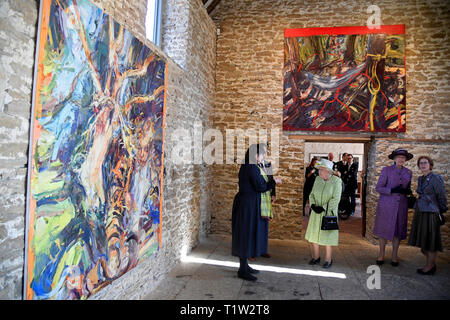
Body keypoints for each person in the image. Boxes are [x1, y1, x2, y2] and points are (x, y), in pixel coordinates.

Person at [231, 144, 282, 281]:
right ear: (255, 155)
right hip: (247, 205)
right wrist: (275, 182)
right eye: (262, 154)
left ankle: (245, 266)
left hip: (248, 202)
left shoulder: (248, 165)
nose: (263, 157)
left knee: (247, 234)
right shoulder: (251, 167)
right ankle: (242, 270)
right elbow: (261, 187)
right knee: (246, 234)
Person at [373, 148, 413, 267]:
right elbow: (378, 188)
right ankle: (381, 254)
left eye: (403, 157)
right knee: (383, 230)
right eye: (399, 157)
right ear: (394, 159)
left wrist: (408, 192)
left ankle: (394, 255)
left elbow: (408, 189)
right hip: (386, 205)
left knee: (398, 231)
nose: (401, 159)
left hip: (401, 206)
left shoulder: (408, 172)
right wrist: (391, 190)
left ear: (405, 159)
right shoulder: (386, 170)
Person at [408, 156, 447, 275]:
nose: (423, 165)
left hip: (431, 213)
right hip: (420, 211)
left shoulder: (436, 178)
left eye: (425, 162)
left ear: (430, 164)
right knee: (424, 240)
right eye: (421, 163)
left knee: (430, 240)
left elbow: (441, 196)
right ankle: (431, 263)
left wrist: (441, 211)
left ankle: (430, 266)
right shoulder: (421, 179)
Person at [304, 159, 342, 268]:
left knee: (327, 237)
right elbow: (311, 194)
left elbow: (336, 199)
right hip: (316, 213)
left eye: (322, 170)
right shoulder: (317, 179)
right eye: (319, 170)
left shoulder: (336, 181)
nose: (319, 172)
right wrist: (313, 205)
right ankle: (316, 257)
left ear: (328, 171)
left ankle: (328, 259)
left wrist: (324, 208)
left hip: (328, 214)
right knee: (314, 235)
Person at [255, 142, 276, 259]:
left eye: (265, 151)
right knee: (255, 225)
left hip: (267, 199)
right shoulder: (254, 166)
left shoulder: (268, 165)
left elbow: (271, 180)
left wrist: (273, 194)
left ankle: (263, 249)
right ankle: (253, 251)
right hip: (258, 198)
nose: (264, 153)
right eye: (262, 151)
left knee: (264, 225)